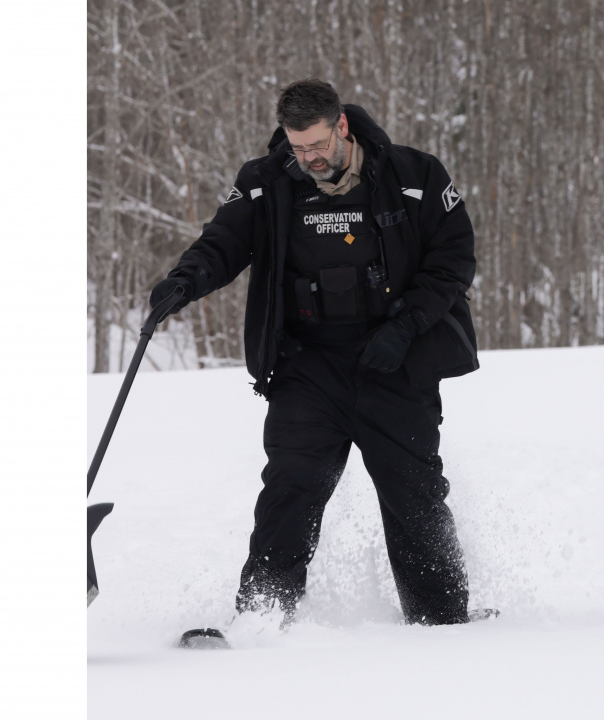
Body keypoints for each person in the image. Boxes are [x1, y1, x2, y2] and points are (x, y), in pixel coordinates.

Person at [149, 78, 480, 626]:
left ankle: (442, 621)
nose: (309, 159)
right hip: (308, 366)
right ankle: (263, 615)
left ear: (342, 126)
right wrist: (184, 282)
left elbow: (453, 258)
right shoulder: (265, 182)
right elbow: (223, 242)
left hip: (393, 361)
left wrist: (406, 328)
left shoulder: (415, 175)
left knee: (413, 494)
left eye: (318, 145)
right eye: (298, 148)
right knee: (290, 488)